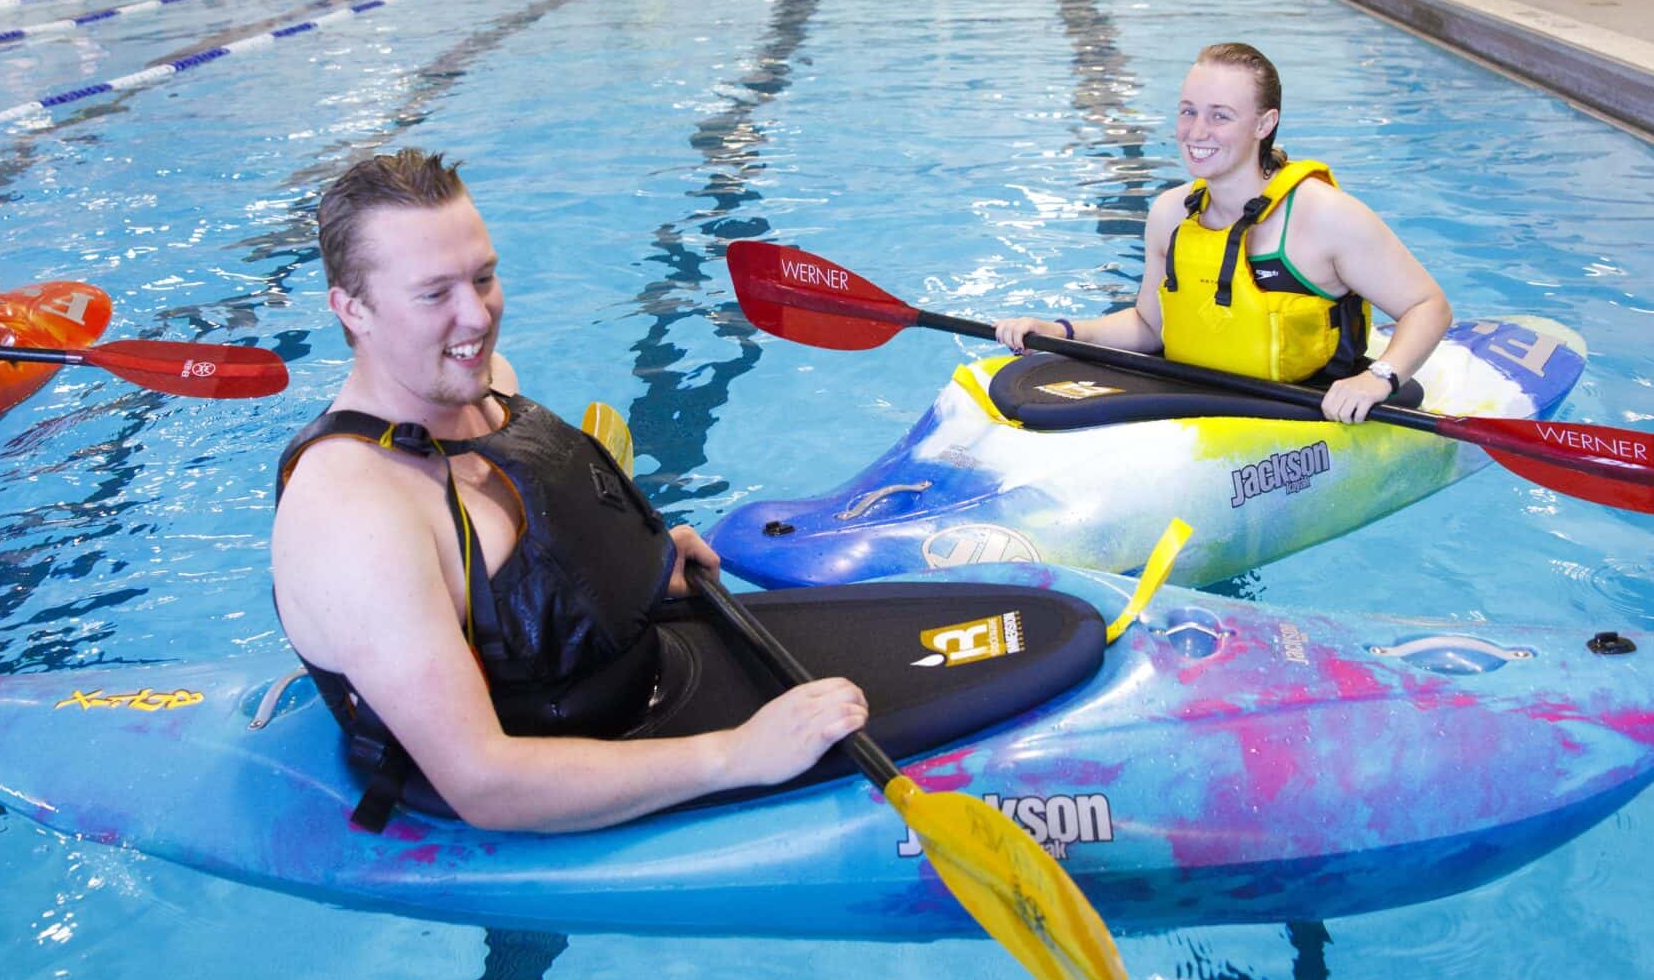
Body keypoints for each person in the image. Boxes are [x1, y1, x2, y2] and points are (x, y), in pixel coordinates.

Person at [271, 150, 867, 834]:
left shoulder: (486, 384)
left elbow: (526, 559)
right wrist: (735, 757)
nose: (476, 317)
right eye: (435, 294)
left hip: (638, 684)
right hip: (535, 788)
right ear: (354, 309)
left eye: (485, 277)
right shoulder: (355, 516)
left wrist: (627, 566)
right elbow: (483, 784)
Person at [994, 42, 1449, 423]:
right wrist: (1059, 329)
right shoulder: (1171, 212)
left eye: (1220, 116)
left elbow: (1428, 306)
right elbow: (1150, 326)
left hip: (1302, 410)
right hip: (1197, 398)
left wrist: (1379, 377)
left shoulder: (1323, 217)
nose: (1196, 131)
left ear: (1264, 124)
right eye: (1188, 111)